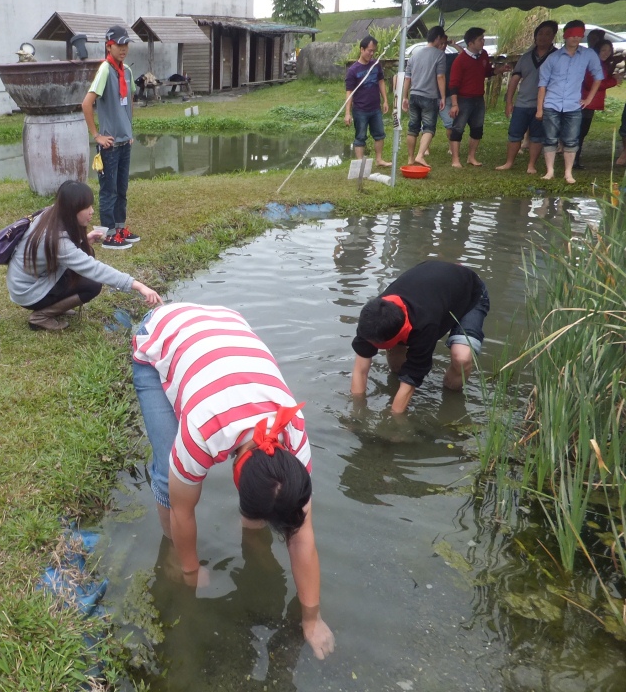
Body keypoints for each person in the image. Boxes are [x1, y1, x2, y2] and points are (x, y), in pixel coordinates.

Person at [132, 302, 335, 660]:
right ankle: (171, 556)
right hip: (160, 336)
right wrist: (190, 569)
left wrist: (312, 619)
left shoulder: (295, 436)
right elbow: (183, 511)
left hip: (224, 326)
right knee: (169, 475)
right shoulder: (201, 431)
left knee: (276, 508)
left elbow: (303, 538)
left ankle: (248, 542)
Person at [6, 180, 162, 331]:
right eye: (86, 207)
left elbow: (57, 252)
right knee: (92, 285)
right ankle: (41, 316)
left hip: (30, 280)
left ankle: (56, 305)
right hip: (27, 291)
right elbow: (95, 269)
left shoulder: (52, 212)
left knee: (86, 254)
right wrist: (139, 286)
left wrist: (84, 239)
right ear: (72, 209)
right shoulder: (58, 241)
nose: (92, 211)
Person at [350, 261, 489, 415]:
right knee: (396, 359)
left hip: (469, 294)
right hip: (434, 289)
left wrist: (393, 422)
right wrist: (357, 413)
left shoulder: (425, 325)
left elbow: (412, 377)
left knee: (461, 358)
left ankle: (450, 401)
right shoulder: (373, 316)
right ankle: (394, 383)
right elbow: (360, 370)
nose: (370, 345)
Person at [82, 25, 139, 250]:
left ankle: (119, 229)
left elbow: (129, 99)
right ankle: (108, 236)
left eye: (126, 45)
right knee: (109, 190)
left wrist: (128, 129)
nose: (123, 49)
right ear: (109, 46)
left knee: (122, 188)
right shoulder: (105, 69)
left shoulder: (127, 71)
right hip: (110, 144)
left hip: (125, 141)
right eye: (119, 45)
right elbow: (87, 103)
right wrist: (96, 135)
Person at [537, 20, 604, 184]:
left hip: (573, 104)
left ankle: (568, 172)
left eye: (579, 35)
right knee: (550, 138)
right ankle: (550, 171)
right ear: (565, 36)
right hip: (552, 102)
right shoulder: (553, 58)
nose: (575, 38)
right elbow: (542, 84)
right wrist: (539, 108)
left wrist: (589, 98)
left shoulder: (588, 54)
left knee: (572, 139)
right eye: (572, 35)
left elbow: (598, 76)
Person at [496, 20, 558, 173]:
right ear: (535, 36)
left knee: (537, 136)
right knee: (514, 134)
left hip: (545, 104)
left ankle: (531, 165)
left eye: (547, 34)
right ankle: (509, 162)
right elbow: (515, 79)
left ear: (553, 36)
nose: (543, 37)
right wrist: (509, 101)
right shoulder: (526, 57)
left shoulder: (557, 56)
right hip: (522, 103)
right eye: (540, 34)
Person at [448, 27, 498, 168]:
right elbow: (453, 84)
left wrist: (497, 71)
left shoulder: (483, 55)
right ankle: (455, 159)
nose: (483, 41)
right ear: (471, 43)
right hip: (464, 99)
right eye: (480, 39)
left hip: (478, 98)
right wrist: (454, 104)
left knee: (477, 129)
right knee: (458, 128)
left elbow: (486, 71)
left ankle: (471, 157)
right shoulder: (460, 60)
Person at [402, 25, 448, 167]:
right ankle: (420, 155)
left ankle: (410, 159)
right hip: (430, 96)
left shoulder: (414, 55)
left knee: (412, 128)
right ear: (438, 38)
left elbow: (407, 78)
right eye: (442, 39)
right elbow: (440, 77)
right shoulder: (440, 55)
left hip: (414, 95)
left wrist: (404, 97)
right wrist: (443, 97)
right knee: (429, 127)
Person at [344, 35, 392, 169]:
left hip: (375, 108)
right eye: (369, 51)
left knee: (379, 134)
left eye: (373, 51)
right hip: (360, 110)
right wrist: (347, 113)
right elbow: (349, 92)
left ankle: (379, 159)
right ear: (362, 49)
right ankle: (360, 165)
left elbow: (381, 81)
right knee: (360, 137)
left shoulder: (376, 65)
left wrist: (385, 100)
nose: (371, 54)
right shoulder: (353, 70)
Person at [576, 38, 620, 169]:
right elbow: (592, 83)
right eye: (603, 50)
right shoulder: (594, 64)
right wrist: (614, 82)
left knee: (582, 132)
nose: (606, 53)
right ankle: (573, 160)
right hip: (585, 101)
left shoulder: (602, 64)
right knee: (579, 132)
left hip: (591, 103)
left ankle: (575, 159)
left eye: (609, 50)